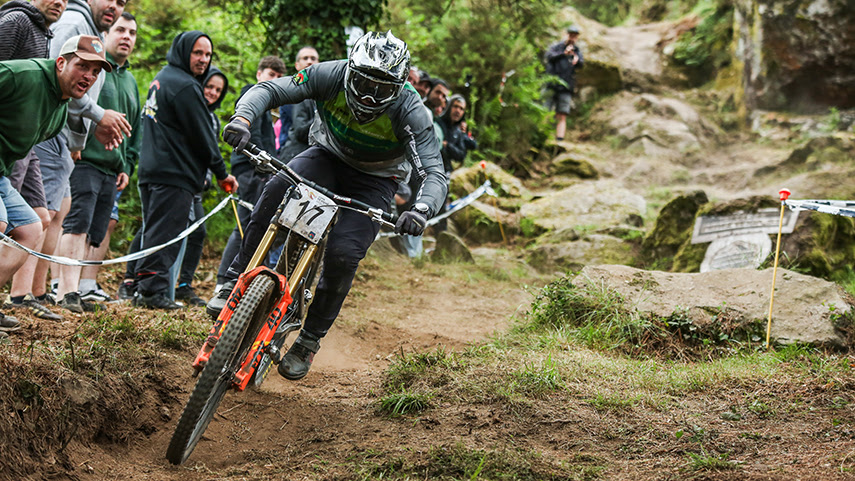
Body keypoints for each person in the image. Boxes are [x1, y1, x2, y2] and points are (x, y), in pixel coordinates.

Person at [209, 31, 447, 381]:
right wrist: (243, 118)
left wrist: (421, 209)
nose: (369, 95)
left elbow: (434, 173)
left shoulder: (412, 111)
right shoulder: (328, 74)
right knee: (275, 191)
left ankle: (308, 340)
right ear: (351, 71)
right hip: (326, 155)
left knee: (343, 254)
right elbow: (269, 90)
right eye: (364, 82)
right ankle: (235, 279)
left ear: (397, 88)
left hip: (376, 180)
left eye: (381, 89)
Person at [0, 34, 112, 337]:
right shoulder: (22, 75)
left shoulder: (60, 108)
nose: (88, 76)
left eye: (95, 72)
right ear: (61, 62)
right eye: (82, 66)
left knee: (30, 229)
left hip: (1, 173)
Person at [30, 0, 130, 307]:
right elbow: (57, 81)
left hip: (66, 139)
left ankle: (38, 291)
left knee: (55, 215)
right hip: (48, 132)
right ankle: (25, 294)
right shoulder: (74, 24)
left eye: (122, 2)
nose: (115, 5)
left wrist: (76, 141)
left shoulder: (90, 30)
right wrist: (98, 116)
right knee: (41, 215)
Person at [132, 30, 237, 310]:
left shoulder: (162, 78)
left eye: (207, 54)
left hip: (153, 170)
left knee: (154, 231)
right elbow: (203, 135)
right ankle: (151, 292)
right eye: (197, 53)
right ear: (183, 51)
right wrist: (221, 172)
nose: (203, 59)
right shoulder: (185, 86)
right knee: (164, 234)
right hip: (173, 173)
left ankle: (142, 288)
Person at [55, 12, 140, 312]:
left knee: (98, 230)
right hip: (84, 158)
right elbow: (76, 106)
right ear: (106, 36)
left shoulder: (130, 80)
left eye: (132, 32)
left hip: (112, 166)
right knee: (75, 223)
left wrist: (126, 165)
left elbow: (135, 130)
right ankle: (63, 289)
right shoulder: (94, 73)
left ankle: (81, 288)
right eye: (121, 30)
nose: (127, 36)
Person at [0, 0, 68, 320]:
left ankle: (19, 295)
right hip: (7, 132)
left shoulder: (44, 32)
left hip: (27, 143)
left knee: (38, 218)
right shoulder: (16, 21)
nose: (60, 2)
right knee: (1, 224)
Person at [213, 56, 285, 289]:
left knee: (256, 226)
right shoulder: (251, 96)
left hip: (262, 171)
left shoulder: (268, 105)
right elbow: (250, 137)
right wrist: (263, 168)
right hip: (249, 170)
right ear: (259, 74)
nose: (274, 79)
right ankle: (225, 279)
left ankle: (244, 281)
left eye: (278, 77)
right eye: (271, 74)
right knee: (245, 227)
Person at [544, 25, 584, 142]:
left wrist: (575, 58)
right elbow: (549, 57)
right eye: (570, 35)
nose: (572, 38)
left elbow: (580, 64)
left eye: (574, 36)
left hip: (566, 86)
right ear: (566, 34)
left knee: (562, 114)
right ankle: (541, 135)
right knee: (545, 111)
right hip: (551, 84)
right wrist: (564, 54)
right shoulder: (556, 47)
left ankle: (559, 140)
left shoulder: (577, 51)